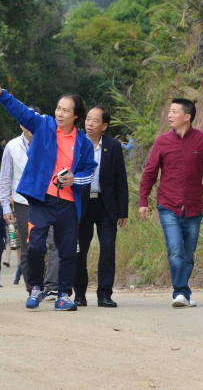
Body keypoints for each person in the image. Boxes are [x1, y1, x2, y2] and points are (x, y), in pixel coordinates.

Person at [0, 77, 97, 312]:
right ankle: (36, 288)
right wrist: (1, 94)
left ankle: (63, 295)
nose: (59, 113)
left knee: (68, 252)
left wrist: (74, 179)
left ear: (76, 116)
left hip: (68, 204)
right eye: (58, 108)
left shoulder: (84, 143)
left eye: (65, 110)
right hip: (41, 200)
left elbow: (90, 172)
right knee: (36, 247)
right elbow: (21, 112)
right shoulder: (44, 125)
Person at [139, 98, 203, 308]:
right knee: (175, 249)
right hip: (168, 205)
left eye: (174, 112)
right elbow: (150, 173)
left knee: (188, 255)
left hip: (193, 207)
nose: (169, 115)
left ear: (187, 117)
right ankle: (180, 293)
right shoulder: (161, 142)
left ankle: (183, 294)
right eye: (169, 111)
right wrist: (143, 200)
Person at [0, 108, 60, 297]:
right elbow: (5, 179)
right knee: (29, 247)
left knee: (54, 243)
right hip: (23, 203)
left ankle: (51, 286)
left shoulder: (51, 141)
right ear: (21, 123)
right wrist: (6, 207)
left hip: (49, 200)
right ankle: (33, 288)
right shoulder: (11, 146)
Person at [74, 106, 129, 308]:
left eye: (95, 120)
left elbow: (120, 180)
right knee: (80, 251)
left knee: (107, 249)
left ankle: (104, 295)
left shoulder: (113, 146)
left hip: (107, 205)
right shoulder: (76, 142)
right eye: (88, 119)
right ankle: (79, 293)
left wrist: (123, 211)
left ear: (104, 126)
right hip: (83, 204)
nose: (89, 124)